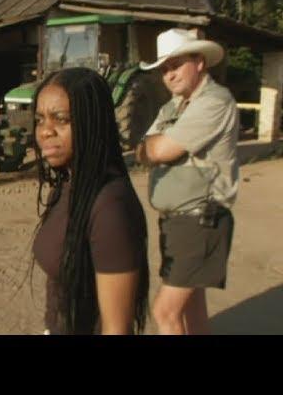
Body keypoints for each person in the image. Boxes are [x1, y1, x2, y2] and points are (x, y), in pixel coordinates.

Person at [135, 28, 239, 335]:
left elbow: (160, 148)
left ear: (199, 62)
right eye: (165, 68)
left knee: (165, 311)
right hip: (179, 222)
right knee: (192, 307)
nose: (169, 74)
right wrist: (153, 148)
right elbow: (144, 149)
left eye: (176, 64)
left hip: (200, 220)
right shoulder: (173, 106)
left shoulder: (214, 101)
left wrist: (156, 148)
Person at [32, 67, 149, 335]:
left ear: (91, 121)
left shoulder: (110, 206)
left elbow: (116, 329)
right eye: (40, 120)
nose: (45, 131)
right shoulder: (65, 186)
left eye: (60, 119)